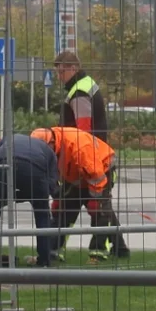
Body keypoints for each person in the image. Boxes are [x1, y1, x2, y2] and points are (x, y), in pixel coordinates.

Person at [30, 126, 129, 262]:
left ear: (52, 142)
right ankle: (53, 251)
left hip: (102, 170)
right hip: (76, 175)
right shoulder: (49, 145)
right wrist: (58, 195)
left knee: (99, 210)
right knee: (62, 210)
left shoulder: (78, 146)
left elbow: (96, 175)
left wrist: (95, 198)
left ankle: (98, 253)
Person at [51, 50, 109, 258]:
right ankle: (107, 248)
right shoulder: (84, 85)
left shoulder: (79, 93)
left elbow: (82, 130)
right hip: (93, 156)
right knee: (94, 204)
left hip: (84, 159)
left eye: (61, 71)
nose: (59, 76)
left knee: (79, 204)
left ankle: (57, 249)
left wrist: (74, 159)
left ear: (73, 68)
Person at [0, 134, 60, 267]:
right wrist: (41, 194)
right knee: (42, 214)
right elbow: (53, 180)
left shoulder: (6, 140)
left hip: (3, 164)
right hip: (34, 169)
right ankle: (44, 260)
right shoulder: (47, 150)